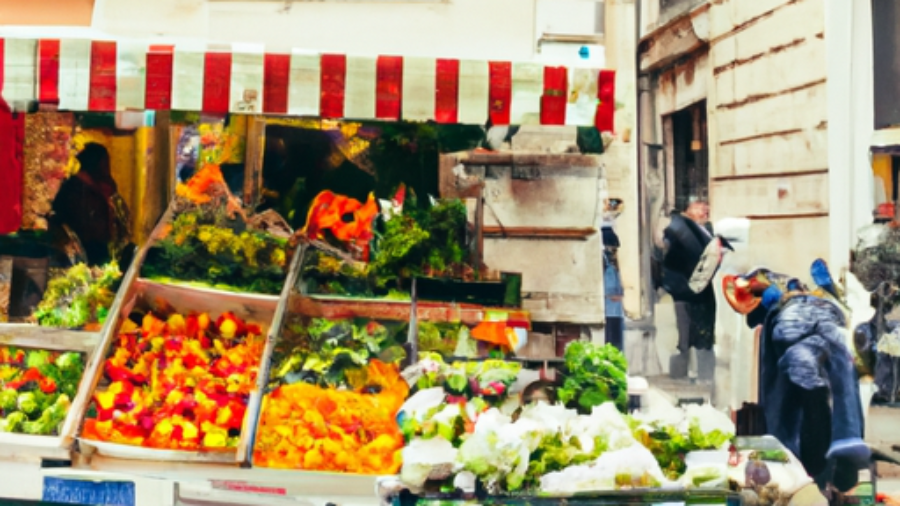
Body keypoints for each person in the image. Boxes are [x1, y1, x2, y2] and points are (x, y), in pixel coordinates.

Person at [52, 143, 132, 266]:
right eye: (104, 163)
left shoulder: (104, 186)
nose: (107, 167)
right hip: (84, 249)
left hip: (102, 246)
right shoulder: (75, 188)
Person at [602, 227, 625, 352]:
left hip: (617, 312)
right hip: (606, 311)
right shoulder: (602, 261)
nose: (613, 251)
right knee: (610, 345)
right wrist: (609, 296)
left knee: (617, 345)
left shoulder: (615, 263)